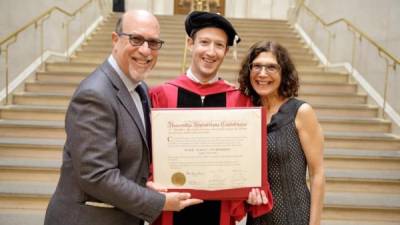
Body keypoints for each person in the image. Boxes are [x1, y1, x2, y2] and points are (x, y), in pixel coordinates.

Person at [44, 10, 202, 225]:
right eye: (136, 39)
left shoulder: (140, 88)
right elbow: (97, 176)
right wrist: (160, 201)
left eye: (153, 43)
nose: (145, 50)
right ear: (115, 40)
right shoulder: (95, 95)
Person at [150, 11, 273, 225]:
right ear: (190, 43)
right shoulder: (162, 95)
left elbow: (248, 157)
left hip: (219, 213)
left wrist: (253, 187)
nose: (211, 52)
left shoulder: (239, 100)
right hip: (171, 210)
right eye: (204, 42)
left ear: (226, 51)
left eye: (219, 45)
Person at [238, 40, 325, 225]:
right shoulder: (247, 113)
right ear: (249, 71)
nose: (262, 74)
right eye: (257, 66)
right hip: (257, 219)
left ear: (283, 72)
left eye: (271, 67)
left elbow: (317, 174)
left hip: (295, 216)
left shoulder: (301, 112)